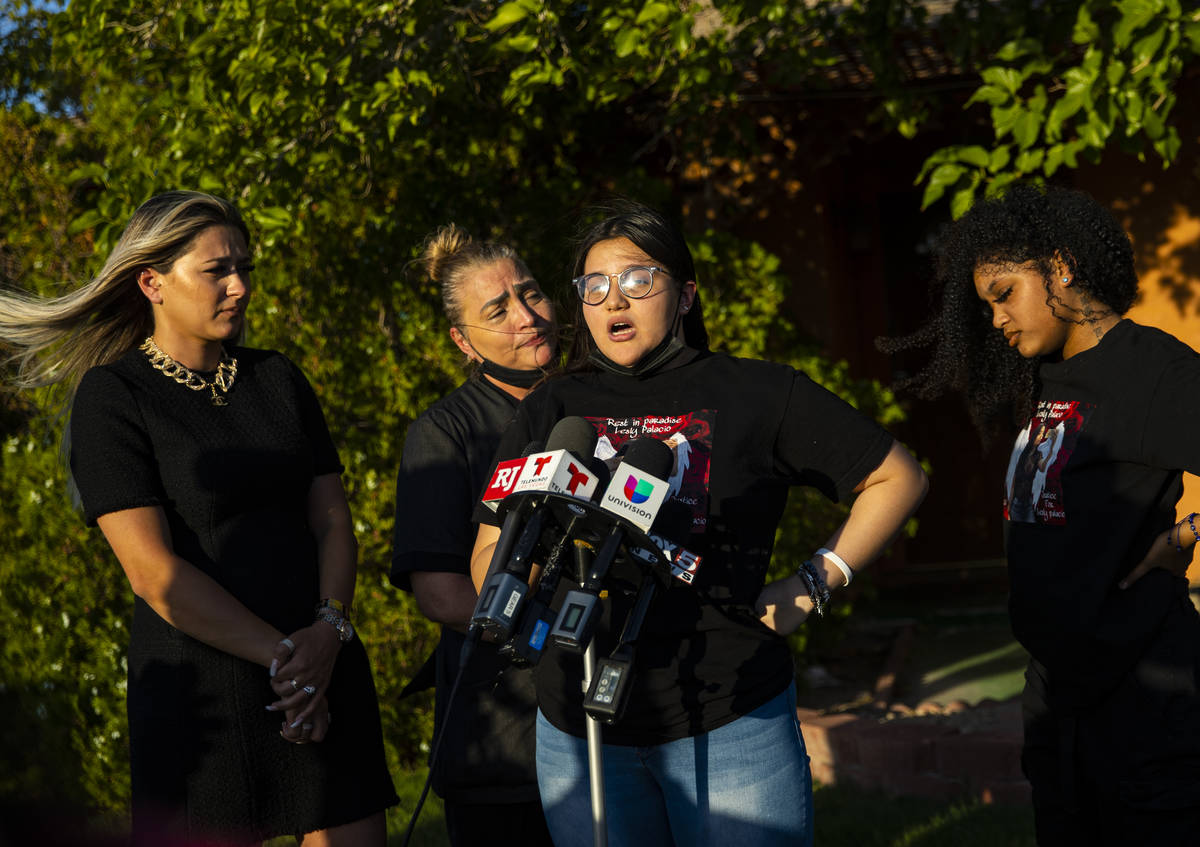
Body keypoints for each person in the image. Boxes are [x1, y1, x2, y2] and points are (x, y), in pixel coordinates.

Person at [468, 200, 928, 846]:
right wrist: (526, 579)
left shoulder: (757, 393)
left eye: (637, 279)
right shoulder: (553, 407)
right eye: (593, 287)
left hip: (727, 718)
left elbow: (897, 477)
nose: (613, 301)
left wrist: (811, 585)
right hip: (581, 731)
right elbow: (490, 543)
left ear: (684, 294)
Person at [0, 190, 397, 844]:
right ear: (152, 281)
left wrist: (328, 631)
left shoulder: (280, 379)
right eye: (217, 270)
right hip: (206, 695)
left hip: (321, 665)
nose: (239, 285)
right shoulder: (114, 397)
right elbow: (152, 572)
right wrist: (285, 660)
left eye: (244, 266)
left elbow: (332, 519)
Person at [880, 182, 1200, 844]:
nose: (995, 318)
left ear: (1059, 267)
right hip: (1060, 699)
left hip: (1145, 700)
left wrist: (1186, 535)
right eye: (986, 303)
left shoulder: (1152, 372)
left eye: (1004, 293)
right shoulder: (1048, 376)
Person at [390, 225, 557, 845]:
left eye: (532, 293)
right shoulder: (444, 433)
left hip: (619, 724)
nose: (527, 315)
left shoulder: (598, 402)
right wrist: (554, 635)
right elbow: (438, 594)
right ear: (463, 340)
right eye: (499, 309)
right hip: (506, 734)